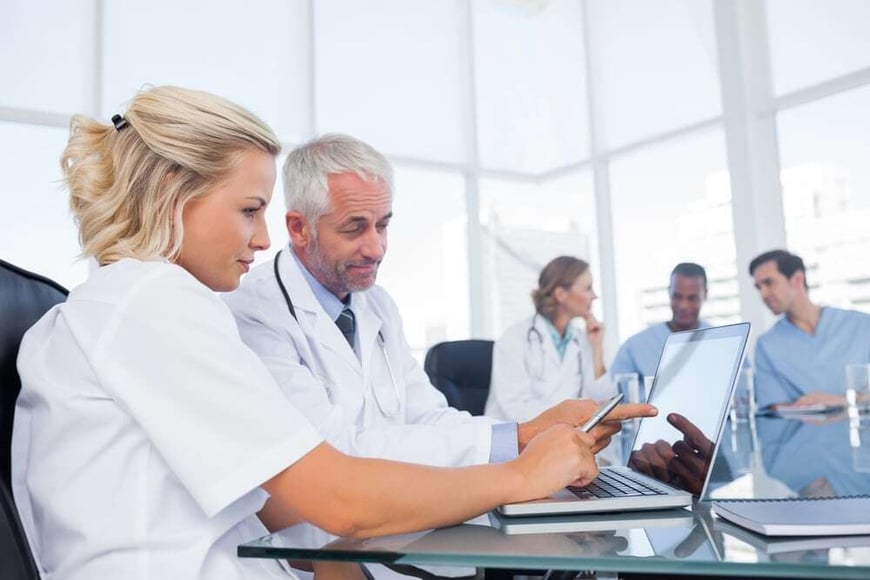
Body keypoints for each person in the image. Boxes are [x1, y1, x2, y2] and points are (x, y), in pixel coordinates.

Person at [10, 86, 606, 580]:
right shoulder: (153, 300)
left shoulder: (123, 303)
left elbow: (275, 503)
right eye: (249, 210)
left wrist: (515, 452)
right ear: (172, 196)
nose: (263, 237)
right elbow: (338, 497)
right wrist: (522, 475)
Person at [224, 134, 654, 472]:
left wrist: (522, 437)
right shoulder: (256, 312)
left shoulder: (377, 306)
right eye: (355, 228)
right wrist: (521, 436)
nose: (377, 248)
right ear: (299, 228)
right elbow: (336, 453)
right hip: (316, 550)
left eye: (384, 225)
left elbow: (429, 417)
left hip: (406, 523)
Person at [484, 256, 615, 423]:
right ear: (561, 294)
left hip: (563, 437)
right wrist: (572, 419)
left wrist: (597, 348)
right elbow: (515, 409)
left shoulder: (581, 339)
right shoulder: (514, 339)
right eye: (588, 288)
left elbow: (603, 402)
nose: (594, 296)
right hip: (516, 442)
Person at [749, 249, 870, 411]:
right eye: (759, 287)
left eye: (769, 283)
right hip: (805, 434)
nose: (763, 294)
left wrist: (840, 400)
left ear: (797, 279)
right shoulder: (766, 345)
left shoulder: (861, 325)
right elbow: (777, 409)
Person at [610, 262, 710, 382]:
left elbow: (737, 396)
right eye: (677, 296)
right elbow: (612, 394)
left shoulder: (722, 343)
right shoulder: (635, 347)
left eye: (692, 298)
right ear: (669, 293)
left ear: (705, 294)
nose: (684, 305)